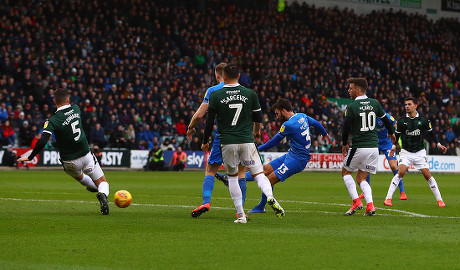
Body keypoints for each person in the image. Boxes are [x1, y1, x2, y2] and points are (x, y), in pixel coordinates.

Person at [202, 63, 284, 223]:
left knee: (232, 178)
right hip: (247, 140)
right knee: (259, 174)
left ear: (223, 77)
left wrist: (205, 141)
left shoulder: (216, 95)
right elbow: (258, 119)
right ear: (239, 76)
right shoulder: (250, 93)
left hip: (227, 142)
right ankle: (269, 196)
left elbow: (209, 122)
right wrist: (256, 132)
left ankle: (240, 215)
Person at [17, 88, 110, 215]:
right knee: (103, 183)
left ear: (54, 101)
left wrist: (31, 156)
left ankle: (98, 189)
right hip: (85, 154)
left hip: (69, 161)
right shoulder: (76, 109)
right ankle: (102, 193)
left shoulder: (52, 120)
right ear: (68, 99)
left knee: (81, 177)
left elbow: (43, 140)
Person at [240, 98, 329, 213]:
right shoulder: (302, 116)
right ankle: (237, 178)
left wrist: (256, 149)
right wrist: (324, 133)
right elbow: (316, 123)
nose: (276, 116)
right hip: (292, 155)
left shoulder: (288, 125)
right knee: (265, 169)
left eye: (277, 113)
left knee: (270, 179)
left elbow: (273, 142)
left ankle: (261, 206)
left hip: (298, 159)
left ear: (283, 110)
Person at [187, 62, 246, 218]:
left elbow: (200, 115)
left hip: (223, 136)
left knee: (211, 170)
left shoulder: (213, 91)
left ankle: (206, 201)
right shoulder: (244, 91)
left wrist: (191, 127)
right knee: (241, 172)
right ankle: (241, 211)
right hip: (243, 136)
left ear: (217, 74)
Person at [341, 77, 395, 216]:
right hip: (373, 148)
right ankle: (370, 205)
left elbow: (346, 126)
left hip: (359, 145)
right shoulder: (375, 103)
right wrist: (391, 133)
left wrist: (344, 143)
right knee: (361, 179)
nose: (349, 90)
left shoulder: (352, 106)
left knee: (346, 172)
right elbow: (386, 119)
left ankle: (356, 201)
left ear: (358, 90)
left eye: (351, 88)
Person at [384, 97, 447, 207]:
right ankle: (388, 198)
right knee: (401, 171)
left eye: (409, 104)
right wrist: (394, 146)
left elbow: (431, 134)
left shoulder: (423, 120)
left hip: (419, 152)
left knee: (427, 174)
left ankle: (440, 200)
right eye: (405, 104)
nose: (407, 106)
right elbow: (397, 135)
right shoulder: (402, 121)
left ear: (415, 106)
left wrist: (439, 145)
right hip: (406, 152)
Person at [360, 112, 407, 201]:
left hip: (387, 143)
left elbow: (396, 125)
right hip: (374, 143)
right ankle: (365, 191)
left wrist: (398, 135)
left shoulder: (386, 116)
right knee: (367, 165)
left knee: (393, 166)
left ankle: (402, 191)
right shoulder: (369, 117)